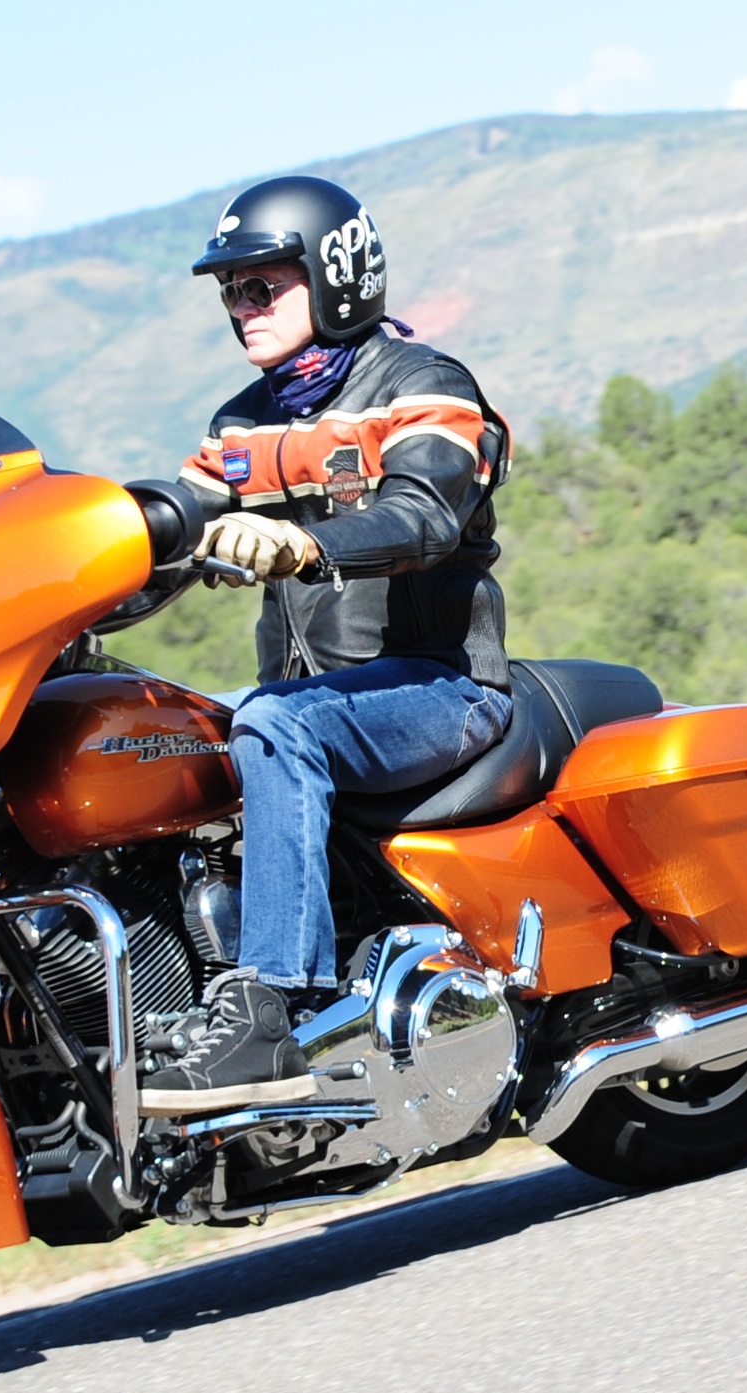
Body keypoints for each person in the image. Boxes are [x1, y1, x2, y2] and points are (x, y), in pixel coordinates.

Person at [137, 175, 513, 1115]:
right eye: (230, 290)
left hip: (440, 687)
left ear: (334, 276)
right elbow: (168, 529)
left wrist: (309, 542)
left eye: (262, 284)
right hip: (316, 706)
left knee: (273, 726)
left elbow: (426, 511)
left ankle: (275, 1007)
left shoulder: (424, 387)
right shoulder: (240, 425)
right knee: (150, 737)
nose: (242, 306)